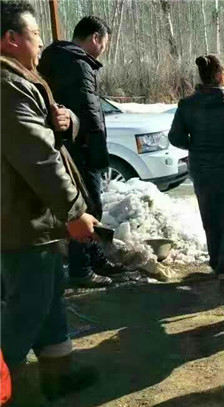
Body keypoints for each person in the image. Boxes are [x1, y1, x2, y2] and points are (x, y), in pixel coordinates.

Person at [1, 1, 99, 399]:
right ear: (11, 38)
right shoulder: (6, 86)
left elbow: (48, 134)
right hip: (21, 219)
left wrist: (68, 120)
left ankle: (57, 376)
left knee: (49, 296)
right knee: (27, 308)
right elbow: (39, 157)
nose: (41, 42)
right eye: (36, 34)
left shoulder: (20, 79)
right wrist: (74, 212)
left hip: (33, 217)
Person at [38, 16, 115, 288]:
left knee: (83, 207)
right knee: (87, 208)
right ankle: (82, 269)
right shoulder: (79, 64)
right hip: (81, 150)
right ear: (95, 38)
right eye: (105, 42)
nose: (104, 48)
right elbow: (90, 114)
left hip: (66, 146)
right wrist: (99, 155)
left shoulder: (56, 58)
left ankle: (95, 260)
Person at [168, 55, 224, 294]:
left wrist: (196, 145)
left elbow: (175, 138)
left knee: (210, 218)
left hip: (201, 170)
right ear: (221, 75)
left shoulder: (187, 105)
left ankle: (217, 263)